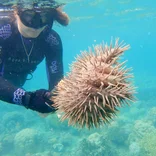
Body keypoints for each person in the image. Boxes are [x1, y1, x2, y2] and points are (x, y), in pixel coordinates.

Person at [0, 1, 69, 113]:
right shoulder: (2, 32)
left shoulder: (52, 40)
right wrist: (28, 99)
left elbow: (57, 82)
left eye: (44, 16)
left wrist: (52, 100)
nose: (36, 25)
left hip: (18, 81)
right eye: (28, 15)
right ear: (16, 12)